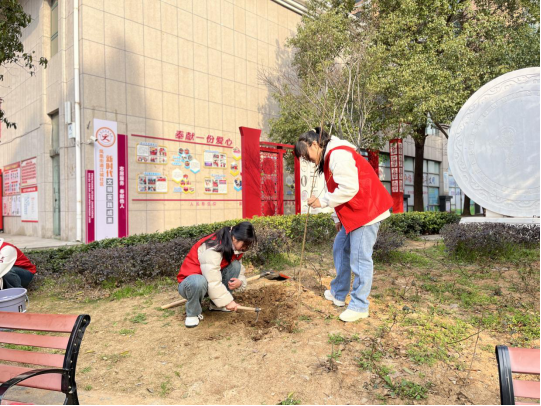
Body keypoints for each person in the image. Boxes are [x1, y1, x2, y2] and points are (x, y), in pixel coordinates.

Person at [294, 128, 393, 323]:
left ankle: (359, 305)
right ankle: (338, 293)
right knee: (340, 248)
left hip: (367, 211)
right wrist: (337, 218)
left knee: (360, 259)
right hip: (353, 213)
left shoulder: (338, 154)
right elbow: (335, 189)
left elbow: (349, 188)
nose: (308, 160)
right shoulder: (329, 157)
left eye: (306, 155)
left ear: (315, 144)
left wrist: (322, 202)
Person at [177, 222, 257, 328]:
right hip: (190, 285)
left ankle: (217, 305)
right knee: (198, 281)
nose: (245, 248)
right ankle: (193, 313)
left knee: (235, 265)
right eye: (244, 244)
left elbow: (239, 269)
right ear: (234, 238)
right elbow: (212, 279)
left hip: (208, 284)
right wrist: (228, 301)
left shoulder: (234, 247)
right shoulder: (213, 247)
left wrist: (240, 282)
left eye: (247, 245)